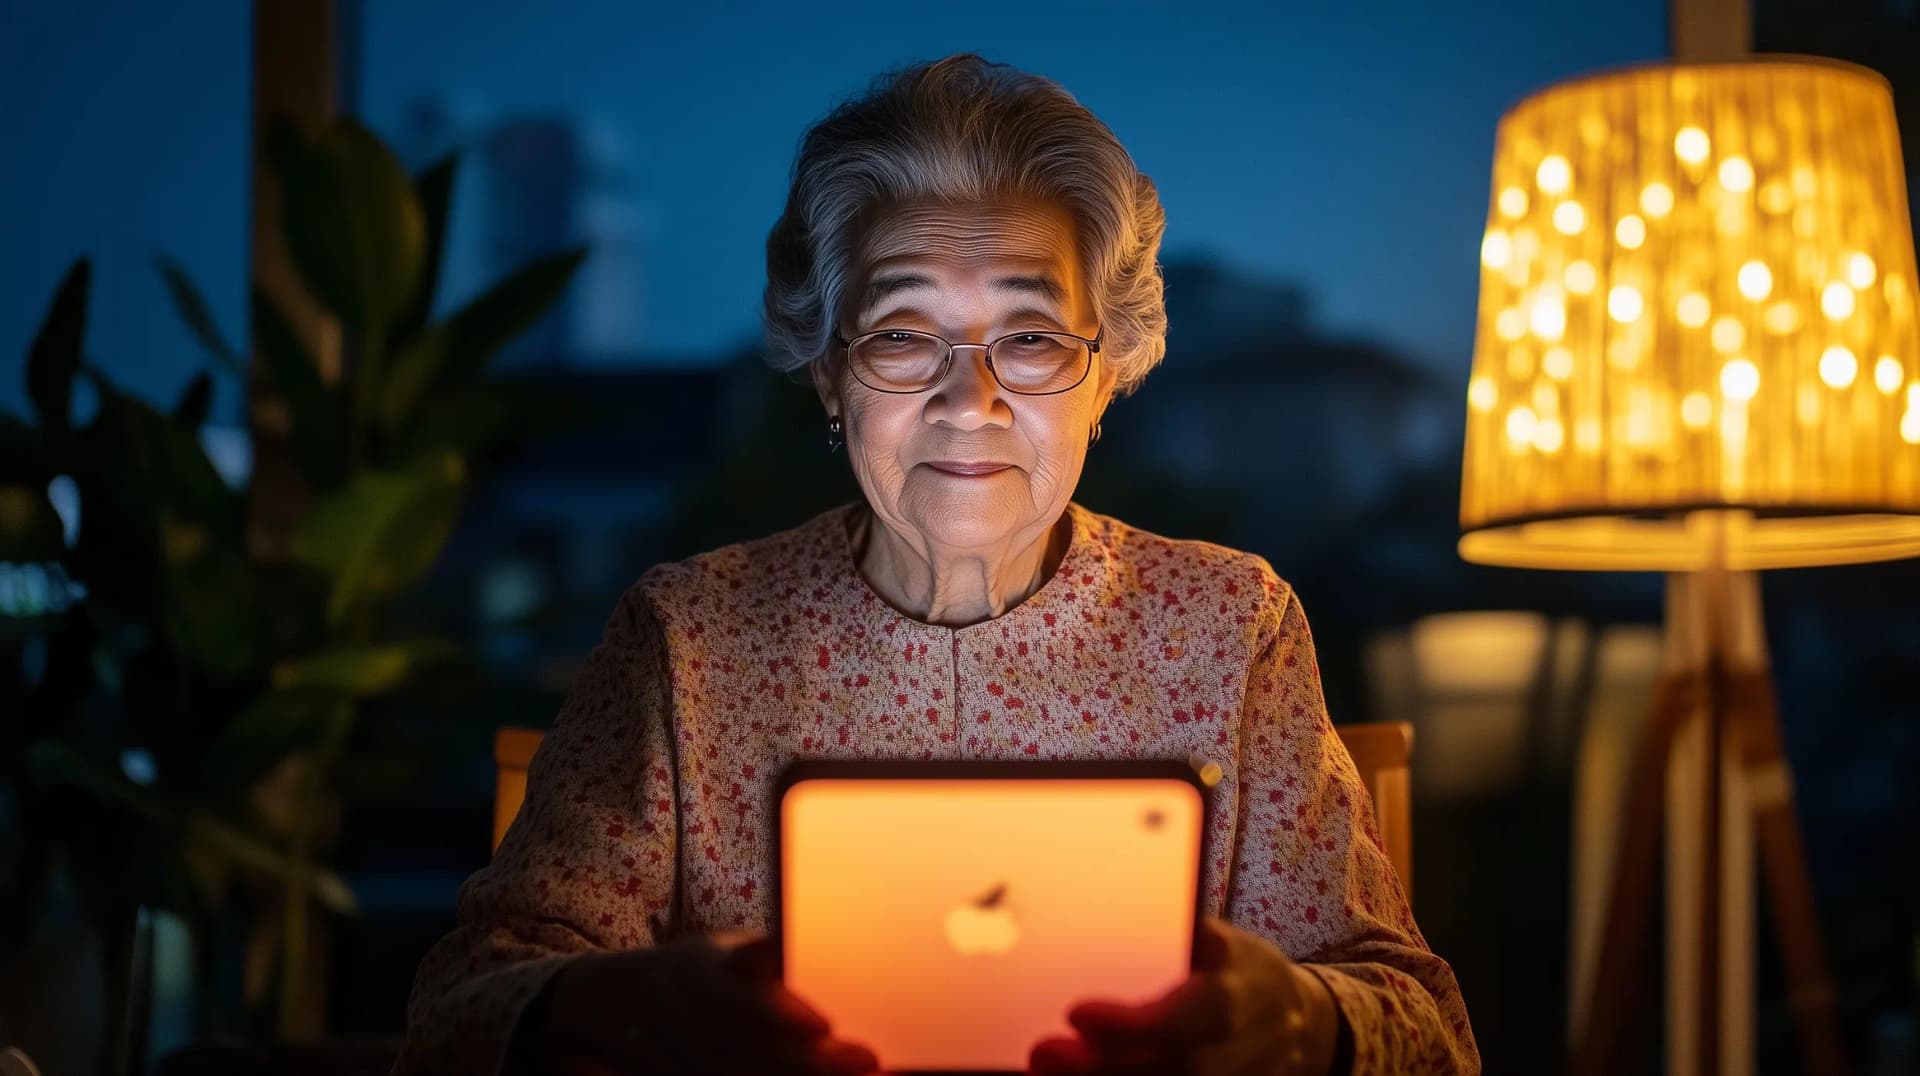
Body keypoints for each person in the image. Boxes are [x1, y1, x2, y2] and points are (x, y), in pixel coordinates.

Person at [394, 53, 1479, 1076]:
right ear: (831, 375)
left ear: (1106, 377)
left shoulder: (1230, 622)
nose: (971, 401)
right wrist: (626, 1006)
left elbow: (1429, 1029)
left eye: (1033, 338)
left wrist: (1297, 1019)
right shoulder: (686, 637)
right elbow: (459, 1010)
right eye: (904, 336)